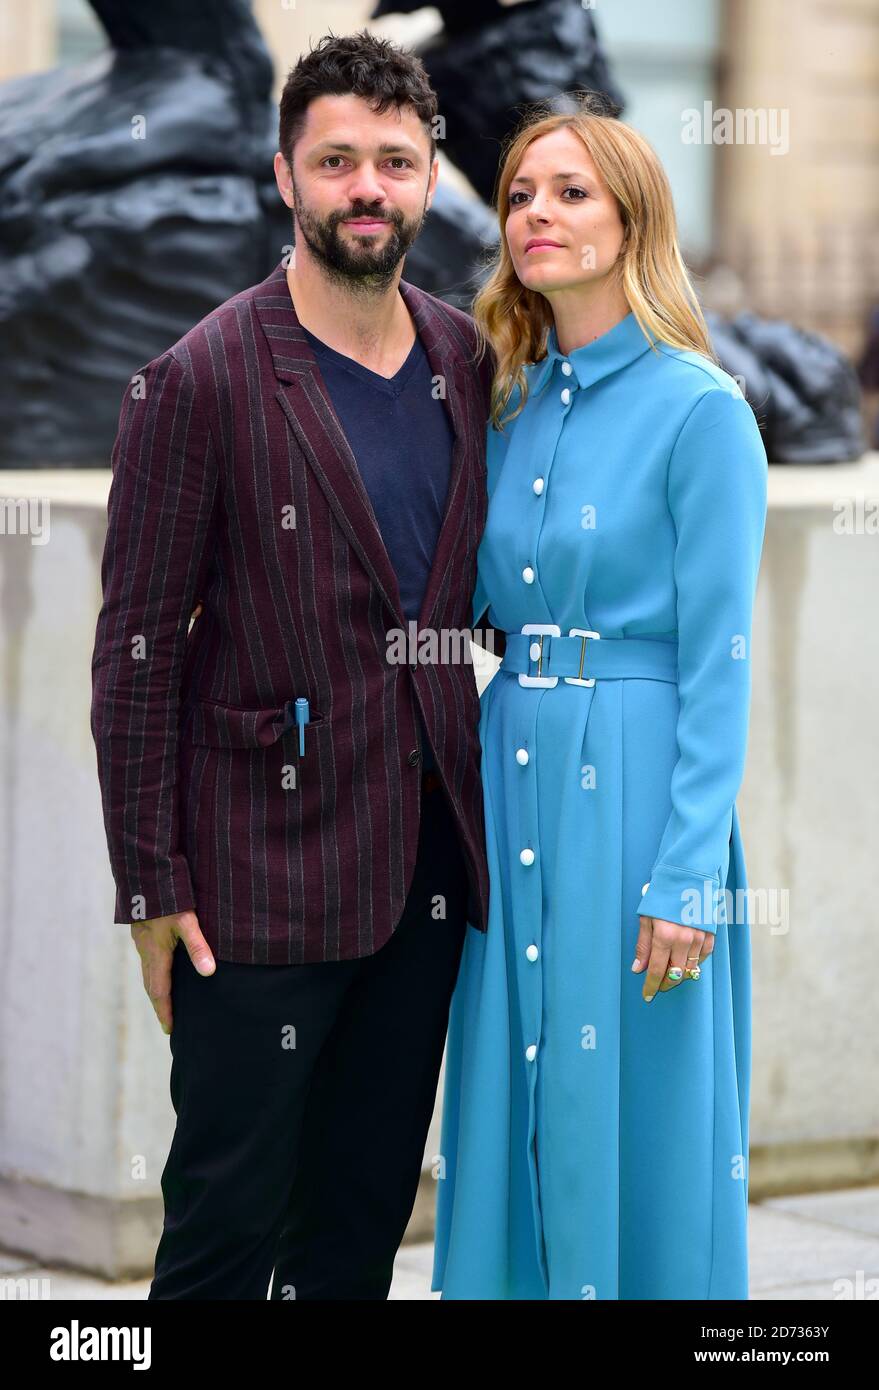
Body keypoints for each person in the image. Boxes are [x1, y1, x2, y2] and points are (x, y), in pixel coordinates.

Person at [90, 30, 494, 1300]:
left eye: (393, 160)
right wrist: (151, 886)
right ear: (285, 178)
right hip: (254, 883)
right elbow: (136, 652)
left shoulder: (468, 365)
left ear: (428, 178)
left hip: (426, 876)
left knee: (361, 1220)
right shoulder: (198, 380)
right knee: (222, 1229)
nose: (365, 187)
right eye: (336, 162)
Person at [431, 96, 768, 1300]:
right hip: (509, 767)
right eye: (520, 193)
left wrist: (686, 875)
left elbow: (721, 660)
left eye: (571, 192)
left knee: (631, 1100)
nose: (536, 215)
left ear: (633, 219)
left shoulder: (701, 412)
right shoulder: (505, 402)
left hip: (634, 797)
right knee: (512, 1085)